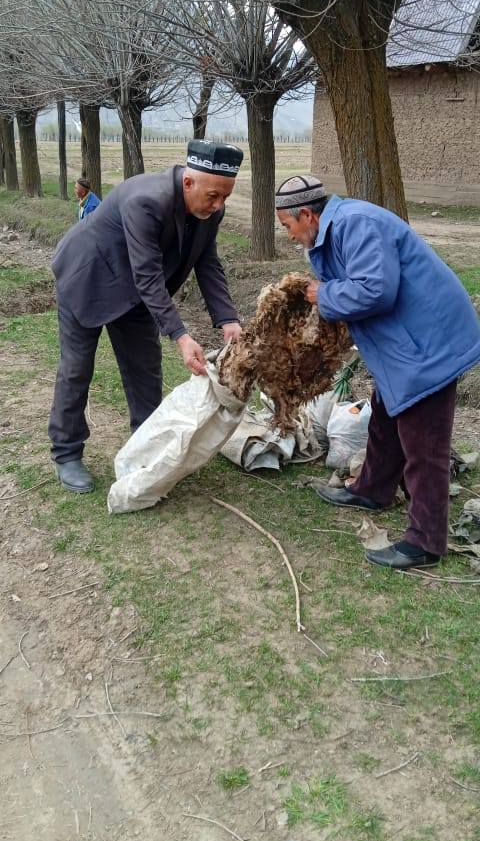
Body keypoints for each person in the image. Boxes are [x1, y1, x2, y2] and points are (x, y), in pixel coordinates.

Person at [276, 175, 480, 571]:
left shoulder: (356, 224)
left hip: (430, 342)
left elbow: (375, 290)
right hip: (407, 341)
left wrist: (323, 295)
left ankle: (425, 541)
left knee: (424, 441)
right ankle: (373, 489)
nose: (290, 236)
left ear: (306, 214)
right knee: (385, 414)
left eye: (288, 227)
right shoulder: (336, 230)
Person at [49, 140, 244, 493]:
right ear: (188, 183)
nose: (219, 205)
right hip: (89, 279)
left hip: (134, 295)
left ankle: (147, 450)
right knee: (77, 368)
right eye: (214, 196)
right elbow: (148, 275)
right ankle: (66, 452)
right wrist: (181, 335)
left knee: (145, 370)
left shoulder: (210, 210)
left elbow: (207, 262)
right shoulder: (146, 200)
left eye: (225, 198)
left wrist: (227, 318)